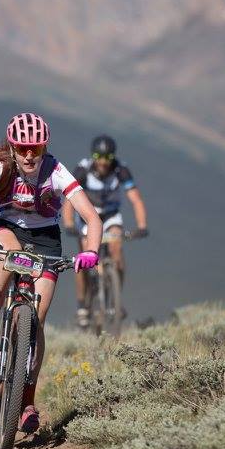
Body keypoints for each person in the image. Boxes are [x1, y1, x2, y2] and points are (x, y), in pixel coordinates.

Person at [0, 112, 103, 434]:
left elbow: (92, 218)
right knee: (7, 255)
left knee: (37, 321)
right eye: (22, 148)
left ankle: (27, 402)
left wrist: (90, 251)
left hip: (46, 239)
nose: (29, 155)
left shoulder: (57, 171)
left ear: (44, 145)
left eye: (35, 147)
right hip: (6, 229)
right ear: (12, 146)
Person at [62, 134, 148, 329]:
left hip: (110, 216)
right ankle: (82, 305)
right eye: (98, 156)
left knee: (117, 246)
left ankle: (115, 298)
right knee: (84, 255)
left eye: (107, 157)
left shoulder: (121, 169)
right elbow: (68, 199)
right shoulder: (83, 169)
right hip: (87, 217)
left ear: (113, 157)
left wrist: (141, 225)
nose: (102, 162)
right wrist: (68, 223)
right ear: (92, 156)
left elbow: (135, 198)